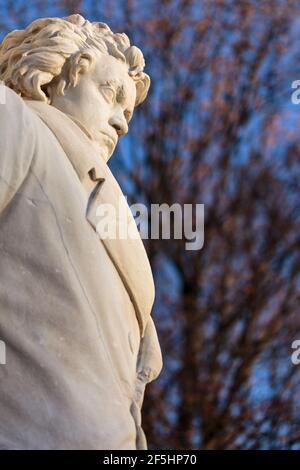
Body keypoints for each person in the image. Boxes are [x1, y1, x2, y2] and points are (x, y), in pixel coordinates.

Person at [0, 14, 162, 450]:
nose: (122, 122)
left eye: (128, 111)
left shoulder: (105, 203)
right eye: (111, 95)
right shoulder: (14, 122)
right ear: (54, 78)